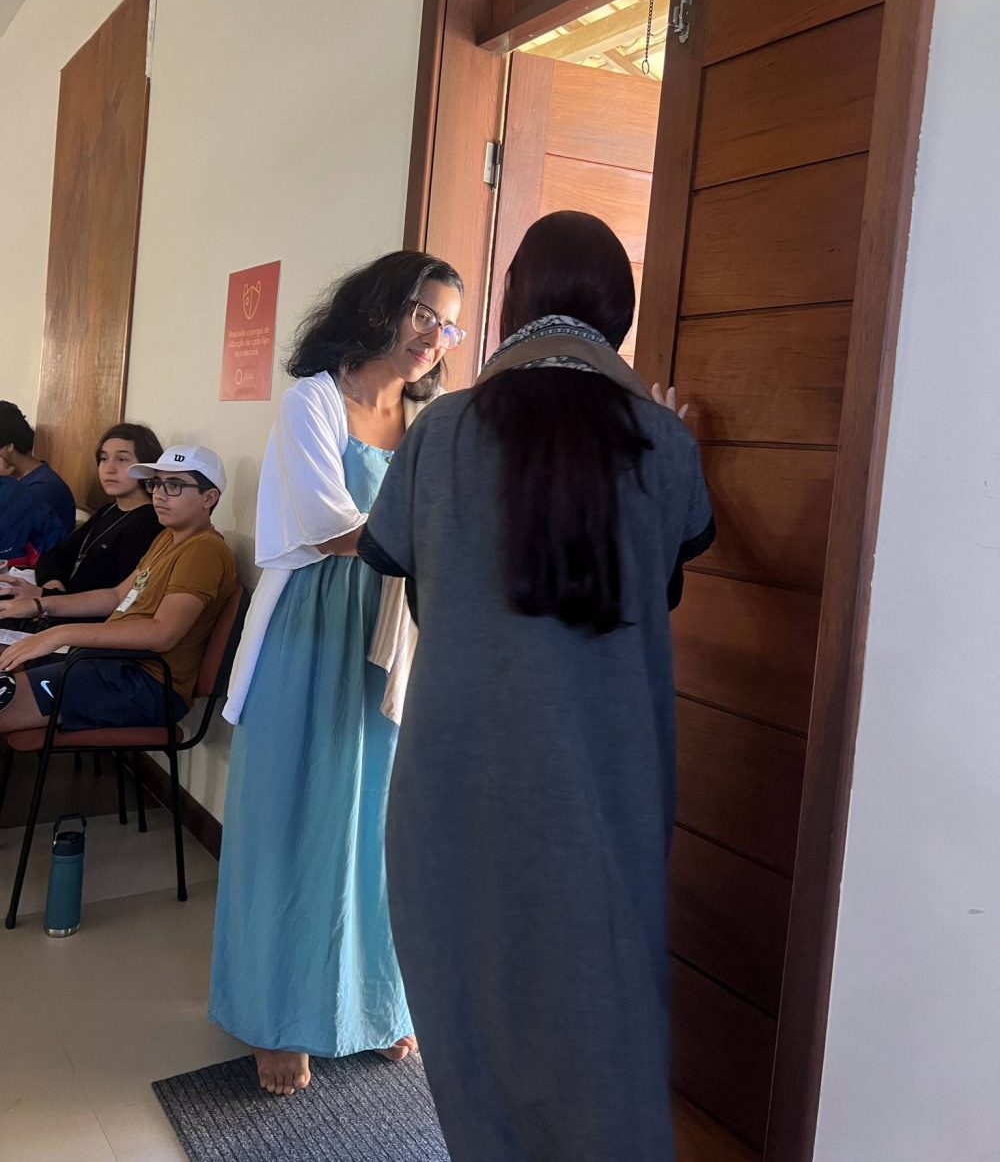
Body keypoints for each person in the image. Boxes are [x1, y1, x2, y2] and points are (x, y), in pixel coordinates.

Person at [359, 212, 715, 1162]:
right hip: (610, 787)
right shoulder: (665, 445)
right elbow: (665, 578)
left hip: (457, 779)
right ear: (618, 306)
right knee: (606, 1021)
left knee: (471, 1019)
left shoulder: (441, 431)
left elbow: (402, 566)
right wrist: (673, 439)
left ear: (514, 297)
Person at [209, 252, 465, 1097]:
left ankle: (376, 1003)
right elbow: (329, 525)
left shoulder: (428, 417)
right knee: (298, 813)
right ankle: (280, 1016)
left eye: (449, 325)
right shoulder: (313, 399)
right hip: (318, 624)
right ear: (384, 305)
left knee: (383, 819)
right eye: (424, 313)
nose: (435, 337)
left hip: (396, 632)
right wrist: (440, 530)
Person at [0, 445, 237, 735]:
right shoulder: (168, 537)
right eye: (156, 483)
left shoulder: (204, 551)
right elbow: (115, 596)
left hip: (144, 682)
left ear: (208, 497)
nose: (159, 494)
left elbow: (163, 633)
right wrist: (41, 604)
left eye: (174, 485)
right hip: (111, 665)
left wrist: (60, 633)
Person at [0, 423, 163, 626]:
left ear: (146, 468)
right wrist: (52, 584)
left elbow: (116, 599)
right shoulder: (108, 511)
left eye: (121, 459)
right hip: (55, 608)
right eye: (103, 459)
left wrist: (44, 597)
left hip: (84, 625)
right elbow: (55, 554)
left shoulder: (149, 523)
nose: (109, 468)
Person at [0, 402, 76, 539]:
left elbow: (9, 534)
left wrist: (3, 483)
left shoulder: (42, 488)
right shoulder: (20, 479)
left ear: (8, 447)